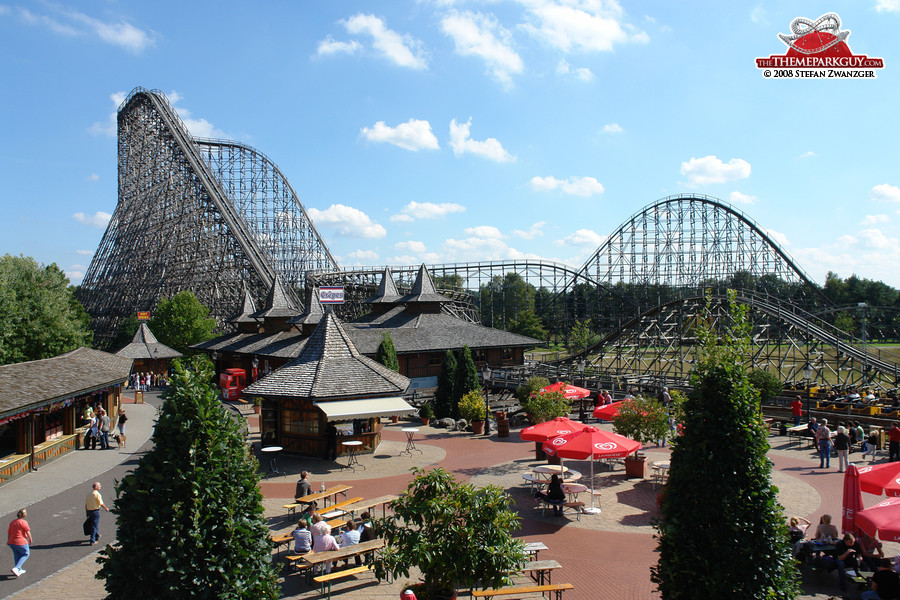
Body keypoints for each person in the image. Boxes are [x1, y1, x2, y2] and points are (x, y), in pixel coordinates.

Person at [7, 508, 32, 578]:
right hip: (21, 541)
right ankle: (17, 568)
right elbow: (28, 532)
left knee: (17, 555)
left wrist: (8, 540)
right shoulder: (24, 522)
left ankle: (19, 569)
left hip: (12, 541)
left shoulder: (12, 522)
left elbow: (9, 532)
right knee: (26, 554)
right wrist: (30, 539)